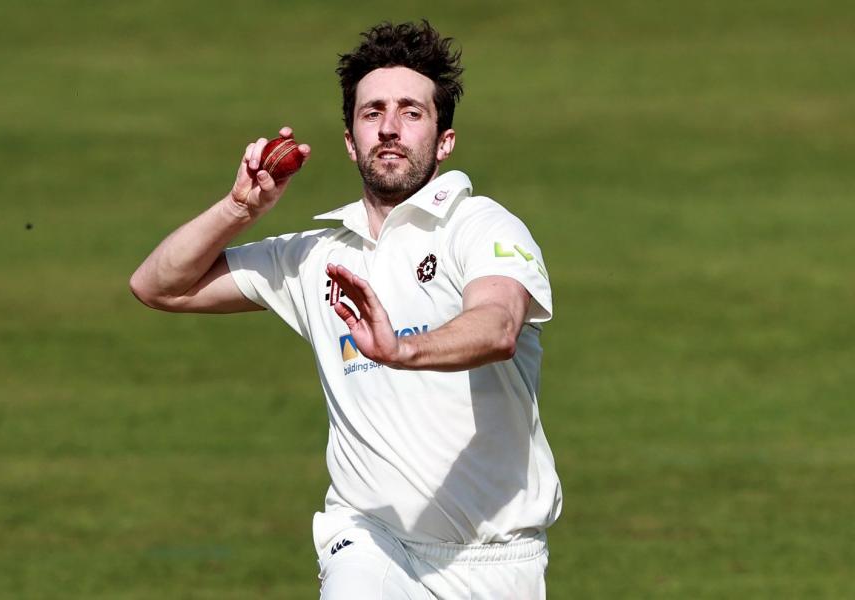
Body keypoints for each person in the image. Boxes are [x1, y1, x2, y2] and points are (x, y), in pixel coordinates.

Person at [130, 20, 562, 600]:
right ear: (350, 140)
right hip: (369, 539)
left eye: (412, 112)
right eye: (372, 112)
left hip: (497, 561)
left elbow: (499, 324)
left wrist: (403, 350)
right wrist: (239, 208)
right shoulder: (313, 256)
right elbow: (160, 285)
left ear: (445, 140)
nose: (389, 127)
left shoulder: (479, 225)